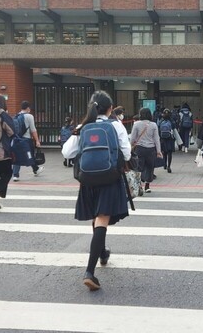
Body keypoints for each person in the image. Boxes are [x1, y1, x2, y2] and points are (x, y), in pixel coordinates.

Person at [61, 90, 131, 291]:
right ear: (110, 109)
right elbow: (126, 153)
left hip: (88, 181)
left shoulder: (83, 126)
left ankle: (102, 252)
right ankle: (89, 272)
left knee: (98, 219)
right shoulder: (115, 125)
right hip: (109, 178)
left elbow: (67, 152)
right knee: (102, 218)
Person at [130, 108, 162, 193]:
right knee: (150, 167)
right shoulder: (154, 125)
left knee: (139, 167)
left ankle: (139, 185)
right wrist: (158, 151)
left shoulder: (136, 124)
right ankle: (147, 186)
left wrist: (130, 146)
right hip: (151, 149)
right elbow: (156, 139)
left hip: (139, 148)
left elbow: (132, 138)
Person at [12, 101, 44, 181]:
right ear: (28, 108)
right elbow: (33, 130)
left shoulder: (16, 116)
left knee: (17, 156)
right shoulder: (29, 116)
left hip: (17, 139)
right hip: (26, 140)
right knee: (30, 155)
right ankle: (35, 169)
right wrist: (37, 141)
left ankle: (15, 175)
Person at [158, 108, 177, 173]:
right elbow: (174, 127)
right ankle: (169, 166)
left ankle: (164, 164)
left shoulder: (161, 120)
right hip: (170, 139)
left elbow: (158, 127)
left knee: (164, 152)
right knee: (170, 153)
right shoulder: (171, 121)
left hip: (163, 138)